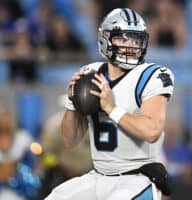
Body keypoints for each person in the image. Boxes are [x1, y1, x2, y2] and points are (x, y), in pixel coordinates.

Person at [45, 8, 174, 200]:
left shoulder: (151, 75)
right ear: (106, 40)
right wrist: (72, 104)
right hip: (99, 175)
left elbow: (152, 131)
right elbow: (69, 140)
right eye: (123, 39)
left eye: (135, 40)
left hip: (138, 177)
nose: (130, 45)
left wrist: (111, 108)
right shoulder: (90, 73)